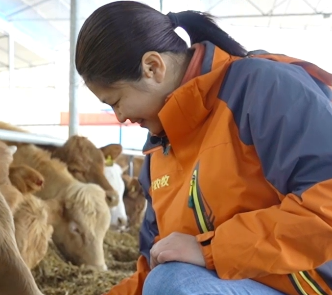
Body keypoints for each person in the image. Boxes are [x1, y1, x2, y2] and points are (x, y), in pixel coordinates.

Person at [75, 1, 332, 295]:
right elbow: (157, 265)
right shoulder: (159, 149)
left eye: (116, 102)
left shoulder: (262, 89)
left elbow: (326, 208)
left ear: (152, 67)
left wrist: (211, 249)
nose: (120, 117)